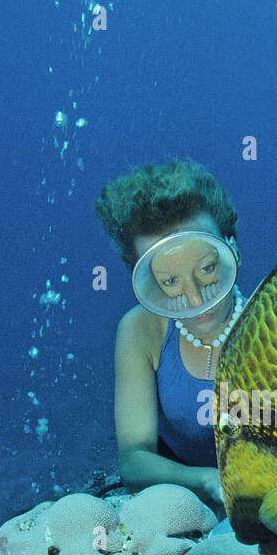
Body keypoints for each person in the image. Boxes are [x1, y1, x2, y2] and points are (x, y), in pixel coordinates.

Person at [97, 158, 245, 513]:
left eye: (207, 269)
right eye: (169, 281)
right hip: (182, 511)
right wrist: (210, 481)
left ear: (232, 246)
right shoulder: (139, 330)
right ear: (145, 280)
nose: (195, 300)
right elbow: (134, 460)